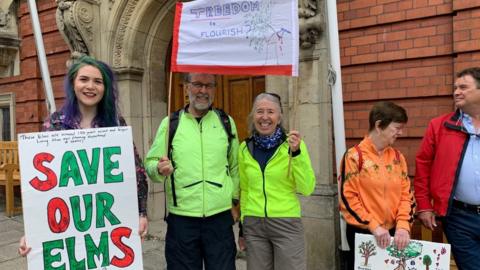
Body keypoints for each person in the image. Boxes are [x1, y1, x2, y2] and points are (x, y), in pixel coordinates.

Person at [18, 55, 148, 255]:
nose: (90, 86)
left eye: (98, 81)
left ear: (105, 88)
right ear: (73, 83)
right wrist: (34, 232)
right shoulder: (55, 125)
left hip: (107, 221)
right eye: (84, 79)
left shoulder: (115, 124)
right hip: (69, 221)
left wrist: (141, 213)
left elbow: (136, 172)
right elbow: (41, 188)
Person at [144, 73, 239, 270]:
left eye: (209, 85)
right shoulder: (170, 122)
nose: (203, 91)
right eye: (197, 84)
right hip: (182, 220)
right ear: (186, 87)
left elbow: (236, 166)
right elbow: (151, 163)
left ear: (214, 89)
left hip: (219, 219)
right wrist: (159, 169)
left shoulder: (226, 122)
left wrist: (235, 202)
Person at [238, 93, 315, 270]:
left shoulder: (293, 145)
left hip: (285, 222)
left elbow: (307, 188)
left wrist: (296, 154)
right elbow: (245, 189)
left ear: (279, 117)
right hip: (254, 224)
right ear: (253, 116)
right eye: (260, 111)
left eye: (270, 112)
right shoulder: (244, 148)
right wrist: (243, 225)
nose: (265, 117)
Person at [414, 67, 480, 270]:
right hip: (459, 218)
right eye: (455, 87)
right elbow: (423, 165)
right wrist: (424, 205)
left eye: (463, 87)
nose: (456, 92)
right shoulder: (439, 126)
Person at [339, 101, 413, 270]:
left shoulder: (397, 157)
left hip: (394, 233)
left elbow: (406, 195)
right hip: (364, 234)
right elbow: (348, 200)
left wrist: (403, 226)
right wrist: (374, 226)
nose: (400, 133)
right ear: (379, 126)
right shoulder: (354, 157)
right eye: (397, 128)